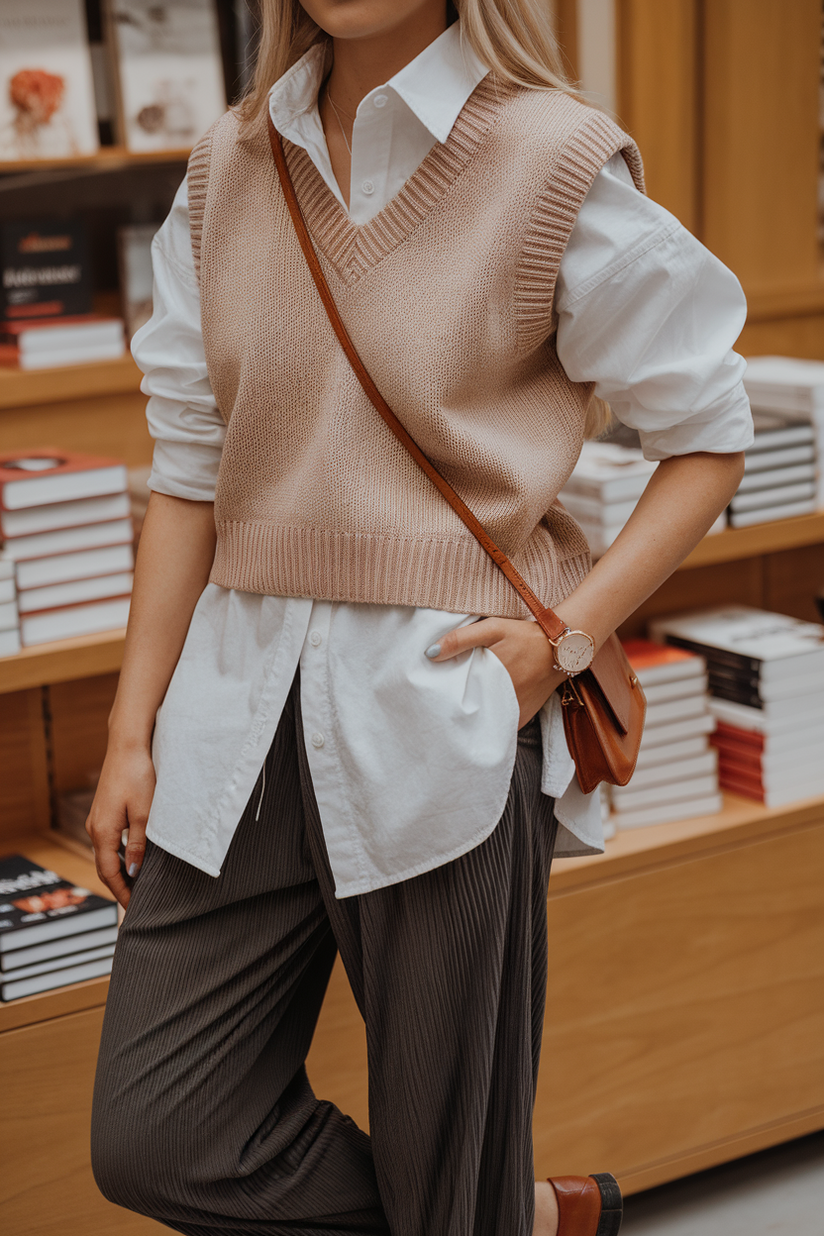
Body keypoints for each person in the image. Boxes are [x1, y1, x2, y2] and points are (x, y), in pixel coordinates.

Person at [87, 2, 752, 1233]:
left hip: (441, 708)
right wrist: (131, 731)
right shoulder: (227, 165)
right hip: (233, 721)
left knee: (448, 1163)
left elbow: (707, 432)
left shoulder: (548, 159)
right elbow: (189, 472)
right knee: (156, 1136)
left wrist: (557, 641)